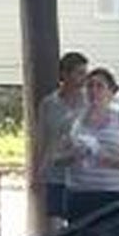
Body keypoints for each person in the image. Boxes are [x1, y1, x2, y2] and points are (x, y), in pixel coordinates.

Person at [64, 66, 119, 221]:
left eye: (100, 86)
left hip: (111, 193)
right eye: (89, 86)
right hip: (79, 193)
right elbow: (55, 158)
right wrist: (74, 154)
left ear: (111, 92)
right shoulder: (72, 120)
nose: (94, 91)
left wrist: (106, 157)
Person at [37, 50, 89, 224]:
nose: (84, 78)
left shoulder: (89, 102)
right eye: (79, 73)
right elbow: (43, 139)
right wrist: (39, 172)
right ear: (64, 74)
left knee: (81, 222)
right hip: (55, 173)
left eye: (85, 73)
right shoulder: (49, 104)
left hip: (82, 174)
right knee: (55, 224)